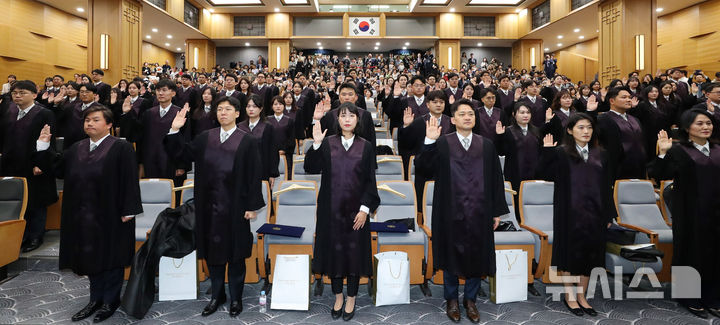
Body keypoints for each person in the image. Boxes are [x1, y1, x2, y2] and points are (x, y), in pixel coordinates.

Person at [35, 106, 142, 323]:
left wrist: (129, 210)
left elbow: (130, 180)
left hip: (112, 212)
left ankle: (110, 301)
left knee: (111, 257)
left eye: (95, 120)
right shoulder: (77, 148)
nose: (89, 124)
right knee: (91, 255)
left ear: (109, 124)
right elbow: (58, 169)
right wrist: (44, 145)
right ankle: (95, 299)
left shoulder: (121, 148)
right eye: (87, 120)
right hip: (83, 213)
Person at [164, 96, 264, 318]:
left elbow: (254, 175)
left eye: (228, 109)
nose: (223, 113)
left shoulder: (247, 141)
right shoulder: (204, 138)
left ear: (238, 113)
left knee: (236, 255)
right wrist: (174, 130)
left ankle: (236, 297)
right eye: (220, 109)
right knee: (213, 254)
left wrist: (252, 206)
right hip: (208, 206)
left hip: (236, 207)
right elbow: (181, 155)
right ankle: (217, 295)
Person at [416, 99, 508, 323]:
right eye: (462, 114)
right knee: (449, 255)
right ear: (453, 119)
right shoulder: (442, 143)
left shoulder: (486, 145)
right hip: (449, 210)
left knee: (477, 255)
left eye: (471, 114)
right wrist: (428, 141)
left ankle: (470, 300)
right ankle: (452, 300)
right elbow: (423, 168)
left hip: (480, 210)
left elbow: (496, 178)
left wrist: (496, 211)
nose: (467, 117)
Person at [305, 102, 380, 322]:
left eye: (351, 116)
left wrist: (365, 210)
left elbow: (370, 181)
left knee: (354, 257)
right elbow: (310, 167)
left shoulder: (366, 146)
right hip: (331, 212)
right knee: (334, 256)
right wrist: (316, 144)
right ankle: (338, 296)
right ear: (337, 120)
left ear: (358, 120)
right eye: (342, 115)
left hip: (357, 214)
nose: (347, 119)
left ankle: (352, 298)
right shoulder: (328, 143)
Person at [537, 113, 615, 318]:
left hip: (595, 213)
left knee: (591, 255)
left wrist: (609, 214)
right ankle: (570, 296)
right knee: (569, 255)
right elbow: (543, 174)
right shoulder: (561, 153)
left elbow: (607, 186)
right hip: (569, 213)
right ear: (570, 130)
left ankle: (582, 297)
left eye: (589, 127)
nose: (586, 131)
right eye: (581, 127)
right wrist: (546, 153)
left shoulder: (602, 154)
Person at [650, 109, 720, 319]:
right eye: (700, 124)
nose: (705, 127)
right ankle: (689, 297)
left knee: (715, 253)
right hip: (690, 211)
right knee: (691, 251)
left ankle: (713, 297)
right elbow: (660, 175)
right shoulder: (679, 150)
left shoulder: (717, 149)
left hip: (716, 211)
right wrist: (662, 153)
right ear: (687, 127)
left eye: (708, 123)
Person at [1, 80, 58, 252]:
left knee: (36, 201)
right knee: (17, 200)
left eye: (22, 92)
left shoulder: (44, 113)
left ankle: (35, 236)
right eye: (14, 93)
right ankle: (20, 235)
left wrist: (40, 163)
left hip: (34, 164)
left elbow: (49, 141)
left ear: (34, 94)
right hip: (10, 163)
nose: (17, 96)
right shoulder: (8, 110)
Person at [120, 79, 189, 186]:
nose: (160, 93)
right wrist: (128, 113)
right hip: (150, 159)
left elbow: (186, 139)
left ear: (173, 93)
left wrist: (181, 165)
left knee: (170, 193)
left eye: (164, 90)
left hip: (171, 161)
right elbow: (138, 136)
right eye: (158, 90)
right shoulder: (149, 113)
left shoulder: (180, 113)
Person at [398, 90, 452, 209]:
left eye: (442, 102)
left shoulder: (451, 122)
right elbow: (406, 145)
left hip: (446, 169)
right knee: (424, 206)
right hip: (425, 170)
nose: (438, 105)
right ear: (427, 104)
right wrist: (406, 126)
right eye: (435, 102)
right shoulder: (419, 122)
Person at [494, 103, 542, 219]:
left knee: (533, 201)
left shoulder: (536, 131)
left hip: (534, 173)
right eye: (522, 112)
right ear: (514, 115)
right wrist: (499, 137)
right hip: (515, 172)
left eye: (528, 112)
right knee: (517, 200)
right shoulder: (509, 131)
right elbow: (500, 152)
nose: (525, 115)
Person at [597, 87, 646, 180]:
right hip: (616, 167)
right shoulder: (603, 119)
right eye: (624, 97)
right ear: (612, 101)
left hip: (638, 165)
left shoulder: (634, 119)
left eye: (629, 97)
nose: (628, 100)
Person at [237, 94, 279, 188]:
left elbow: (273, 152)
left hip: (262, 169)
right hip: (243, 170)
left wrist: (272, 173)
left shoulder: (268, 127)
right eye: (248, 106)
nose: (251, 109)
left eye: (254, 106)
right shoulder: (240, 127)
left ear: (261, 109)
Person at [268, 95, 296, 177]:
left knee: (286, 175)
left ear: (284, 106)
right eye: (275, 104)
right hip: (270, 154)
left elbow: (291, 138)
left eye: (280, 104)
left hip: (285, 153)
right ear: (272, 106)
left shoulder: (289, 120)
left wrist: (284, 150)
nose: (278, 106)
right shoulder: (267, 120)